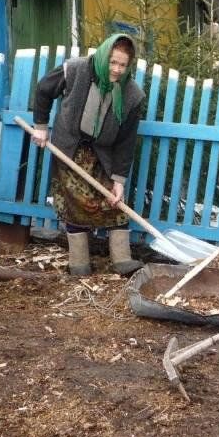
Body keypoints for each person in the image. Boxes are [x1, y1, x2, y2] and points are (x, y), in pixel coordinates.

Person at [31, 33, 146, 276]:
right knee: (76, 203)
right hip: (70, 149)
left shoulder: (132, 95)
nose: (116, 69)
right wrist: (41, 127)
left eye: (123, 65)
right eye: (113, 62)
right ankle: (79, 263)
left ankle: (122, 260)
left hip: (102, 155)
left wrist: (119, 180)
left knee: (113, 203)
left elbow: (126, 142)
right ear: (104, 56)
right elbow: (43, 89)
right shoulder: (76, 69)